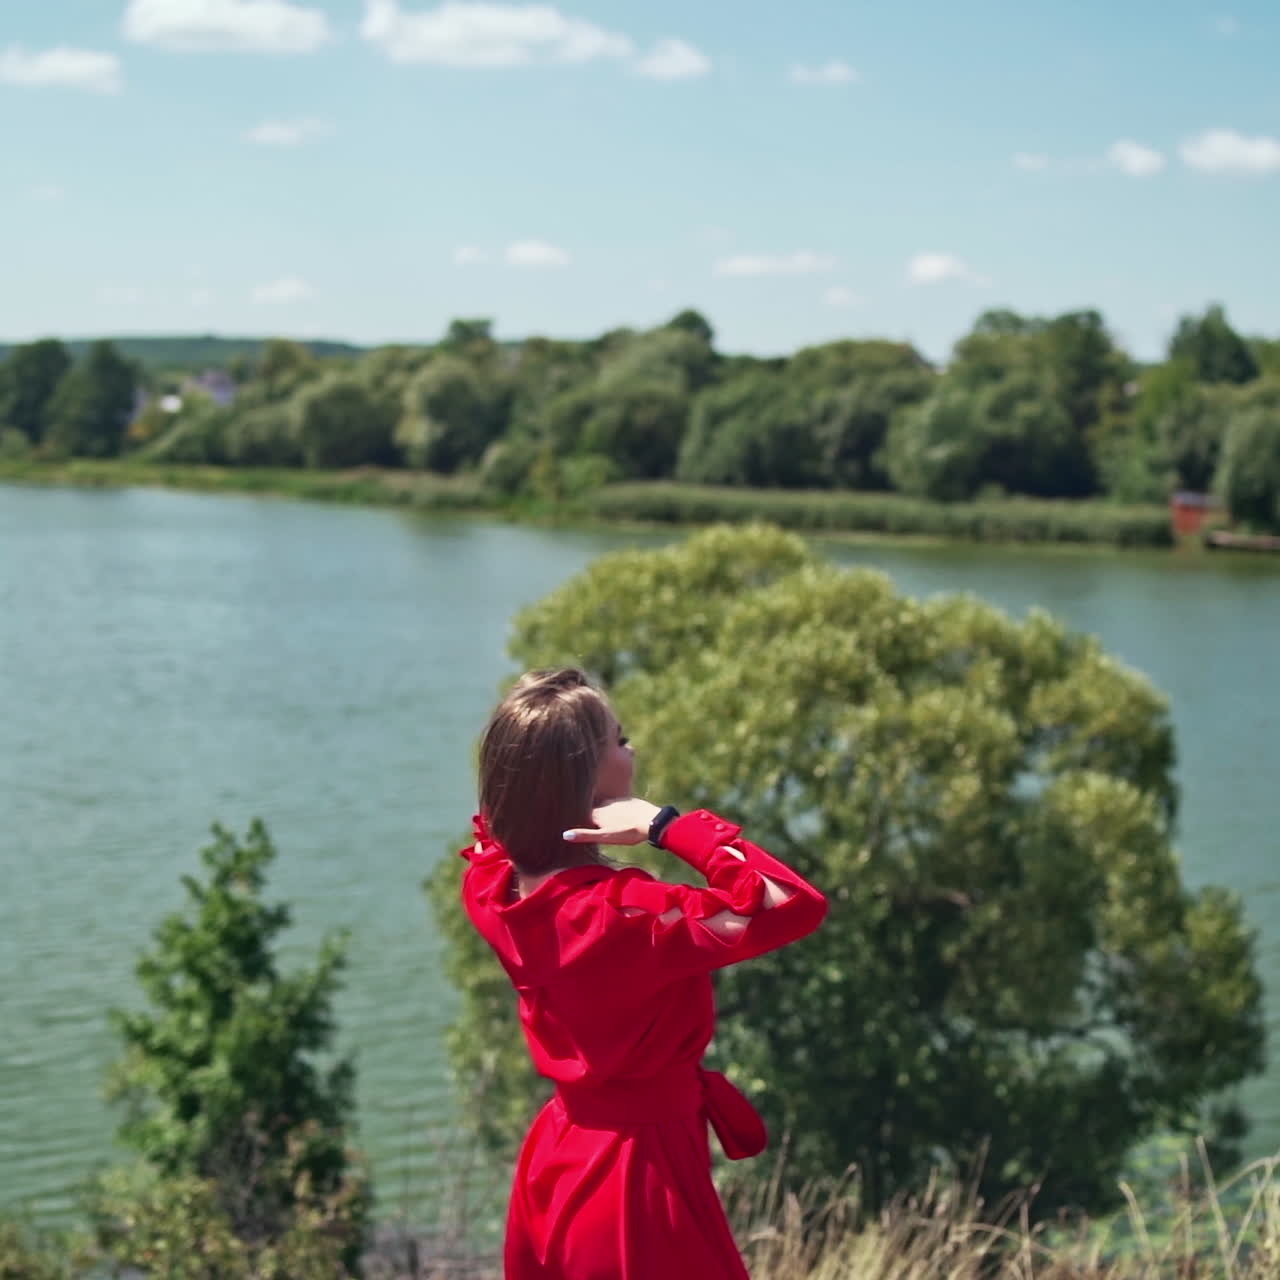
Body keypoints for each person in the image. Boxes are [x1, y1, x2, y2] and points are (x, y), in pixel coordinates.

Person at [458, 667, 828, 1280]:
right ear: (583, 777)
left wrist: (545, 774)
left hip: (561, 1157)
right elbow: (790, 903)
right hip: (635, 1183)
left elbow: (501, 823)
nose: (632, 751)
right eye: (620, 740)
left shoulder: (492, 888)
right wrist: (666, 826)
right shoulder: (628, 918)